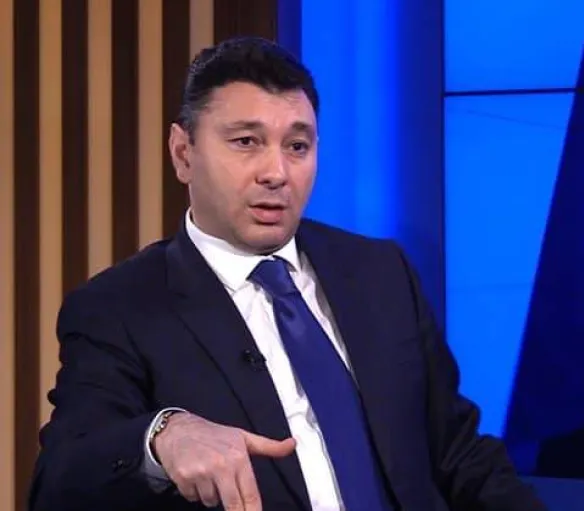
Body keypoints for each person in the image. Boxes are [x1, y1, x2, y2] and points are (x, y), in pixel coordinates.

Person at [28, 36, 547, 511]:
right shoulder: (119, 308)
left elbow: (458, 453)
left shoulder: (380, 272)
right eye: (246, 142)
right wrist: (162, 436)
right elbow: (60, 481)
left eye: (297, 146)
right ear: (183, 154)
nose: (276, 173)